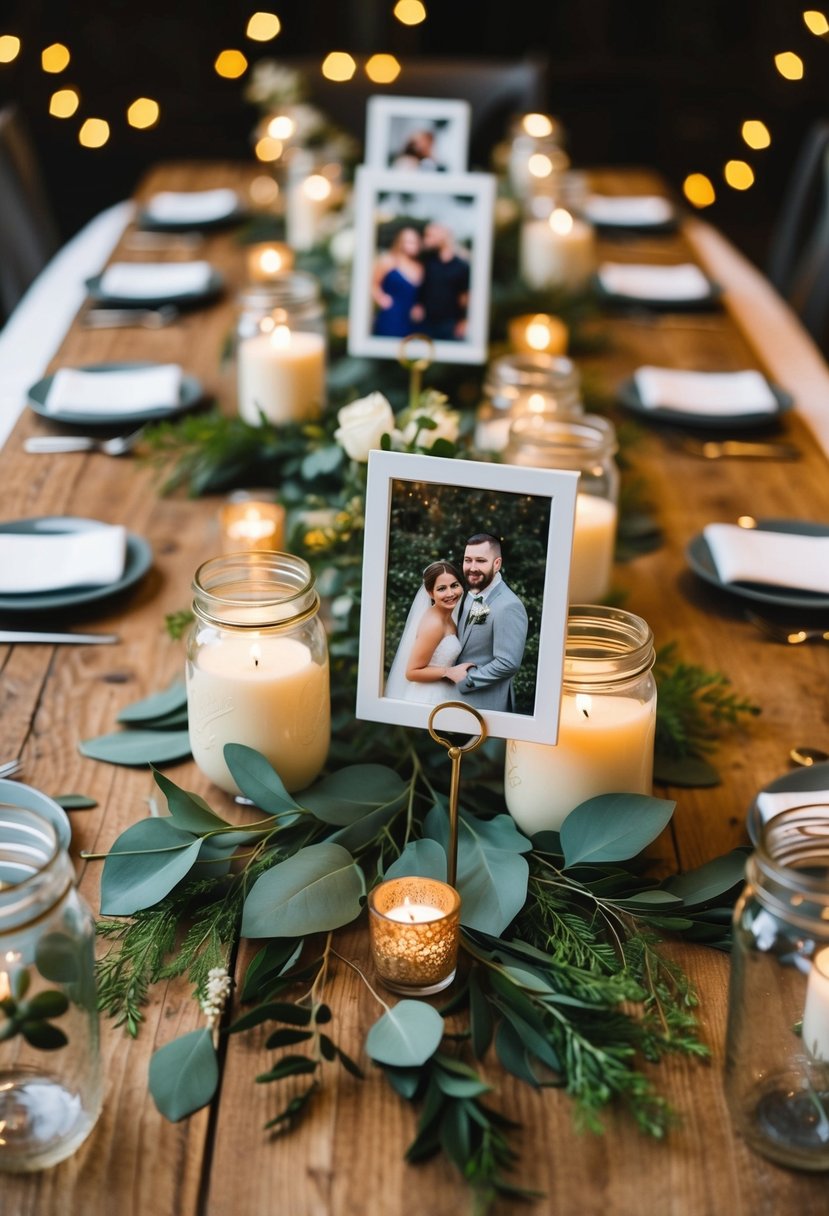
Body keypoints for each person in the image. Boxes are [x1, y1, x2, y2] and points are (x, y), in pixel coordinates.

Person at [444, 533, 528, 712]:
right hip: (453, 701)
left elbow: (508, 663)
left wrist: (466, 680)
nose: (472, 568)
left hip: (486, 706)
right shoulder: (468, 593)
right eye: (468, 560)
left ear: (496, 564)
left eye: (480, 561)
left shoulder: (508, 606)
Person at [384, 560, 475, 703]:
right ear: (430, 593)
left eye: (454, 585)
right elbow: (412, 672)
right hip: (428, 698)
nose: (450, 593)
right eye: (441, 589)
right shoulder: (434, 624)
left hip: (444, 692)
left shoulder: (447, 616)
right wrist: (448, 672)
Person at [414, 222, 470, 342]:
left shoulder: (462, 266)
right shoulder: (429, 261)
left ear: (443, 235)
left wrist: (463, 321)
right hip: (426, 322)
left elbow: (464, 297)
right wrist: (418, 305)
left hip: (449, 324)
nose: (427, 239)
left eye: (430, 235)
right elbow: (423, 288)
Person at [371, 226, 425, 338]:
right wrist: (381, 299)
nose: (412, 245)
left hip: (412, 321)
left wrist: (418, 307)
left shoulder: (420, 267)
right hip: (391, 317)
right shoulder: (388, 261)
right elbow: (373, 284)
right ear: (400, 243)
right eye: (409, 242)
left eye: (415, 242)